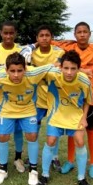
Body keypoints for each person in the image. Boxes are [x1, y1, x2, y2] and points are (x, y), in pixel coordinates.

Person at [52, 22, 93, 179]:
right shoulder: (69, 49)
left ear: (90, 33)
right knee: (73, 130)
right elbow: (57, 61)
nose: (82, 34)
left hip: (92, 97)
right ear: (74, 34)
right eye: (79, 32)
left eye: (85, 32)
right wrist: (82, 70)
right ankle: (70, 161)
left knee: (91, 129)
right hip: (73, 98)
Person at [0, 52, 54, 185]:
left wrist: (82, 70)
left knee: (32, 136)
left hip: (28, 109)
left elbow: (54, 67)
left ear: (25, 69)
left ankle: (33, 170)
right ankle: (3, 169)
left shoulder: (33, 73)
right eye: (12, 71)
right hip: (7, 109)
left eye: (20, 70)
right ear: (6, 70)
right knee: (2, 137)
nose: (16, 75)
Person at [37, 50, 92, 185]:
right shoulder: (53, 75)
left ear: (78, 68)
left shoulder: (84, 80)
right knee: (50, 141)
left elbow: (87, 101)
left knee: (80, 142)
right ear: (61, 67)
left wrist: (84, 117)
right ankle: (44, 174)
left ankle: (81, 178)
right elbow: (36, 74)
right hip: (56, 115)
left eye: (73, 68)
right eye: (66, 68)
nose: (69, 72)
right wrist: (53, 64)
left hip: (75, 116)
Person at [0, 21, 25, 173]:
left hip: (17, 93)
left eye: (11, 33)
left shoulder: (21, 50)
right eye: (5, 33)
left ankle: (18, 158)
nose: (8, 36)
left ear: (15, 33)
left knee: (18, 128)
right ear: (0, 33)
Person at [30, 25, 64, 171]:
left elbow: (60, 69)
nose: (44, 38)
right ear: (37, 39)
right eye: (41, 35)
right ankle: (33, 156)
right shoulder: (31, 54)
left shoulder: (59, 52)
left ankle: (54, 157)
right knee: (34, 128)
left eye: (47, 35)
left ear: (51, 37)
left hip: (54, 98)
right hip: (37, 98)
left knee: (53, 130)